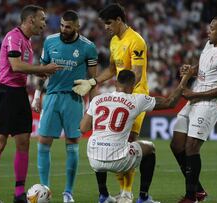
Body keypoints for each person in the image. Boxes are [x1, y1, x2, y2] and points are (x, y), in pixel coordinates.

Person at [0, 5, 62, 203]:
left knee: (24, 142)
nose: (45, 23)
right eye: (42, 19)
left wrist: (38, 72)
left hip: (18, 93)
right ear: (30, 20)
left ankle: (19, 194)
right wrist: (40, 68)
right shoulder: (14, 37)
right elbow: (15, 66)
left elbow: (23, 69)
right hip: (5, 92)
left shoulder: (27, 41)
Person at [80, 69, 193, 203]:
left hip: (94, 158)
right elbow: (170, 102)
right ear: (133, 84)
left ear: (116, 82)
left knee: (99, 141)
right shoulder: (136, 100)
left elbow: (83, 128)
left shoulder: (98, 99)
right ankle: (143, 197)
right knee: (149, 148)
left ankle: (103, 195)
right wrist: (185, 79)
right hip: (119, 159)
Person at [72, 4, 148, 202]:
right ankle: (123, 191)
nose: (105, 27)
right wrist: (92, 81)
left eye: (108, 23)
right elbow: (113, 70)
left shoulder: (136, 41)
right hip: (121, 93)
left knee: (129, 140)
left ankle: (127, 193)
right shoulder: (114, 41)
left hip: (135, 95)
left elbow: (137, 75)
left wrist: (127, 97)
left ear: (119, 20)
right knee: (116, 141)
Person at [31, 10, 98, 203]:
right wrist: (37, 96)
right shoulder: (50, 41)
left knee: (72, 145)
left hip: (74, 99)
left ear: (77, 26)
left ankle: (68, 192)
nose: (63, 29)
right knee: (43, 142)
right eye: (61, 25)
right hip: (51, 97)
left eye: (68, 26)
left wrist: (92, 107)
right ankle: (45, 189)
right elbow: (42, 71)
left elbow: (93, 80)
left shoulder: (88, 47)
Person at [170, 16, 217, 203]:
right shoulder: (209, 45)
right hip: (194, 98)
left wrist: (195, 95)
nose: (209, 31)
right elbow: (201, 68)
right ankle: (198, 189)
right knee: (176, 145)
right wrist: (190, 70)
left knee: (191, 146)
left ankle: (191, 196)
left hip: (208, 103)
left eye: (213, 28)